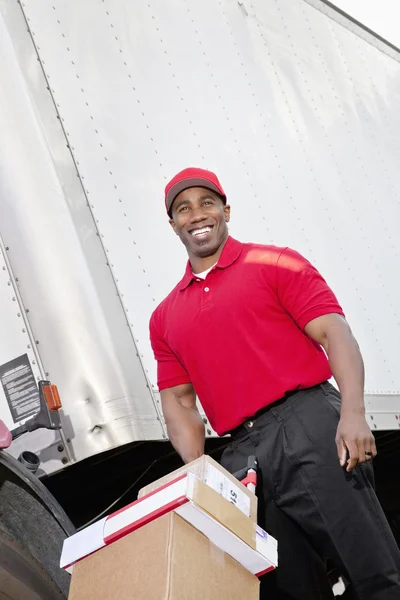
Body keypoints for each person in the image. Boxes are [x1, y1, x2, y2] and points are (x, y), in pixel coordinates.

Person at [149, 167, 400, 600]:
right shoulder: (165, 316)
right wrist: (197, 471)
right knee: (287, 588)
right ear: (173, 225)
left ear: (226, 210)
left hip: (309, 424)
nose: (197, 215)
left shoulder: (274, 263)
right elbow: (178, 401)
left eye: (207, 203)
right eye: (183, 208)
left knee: (371, 569)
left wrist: (353, 413)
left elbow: (335, 333)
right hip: (242, 458)